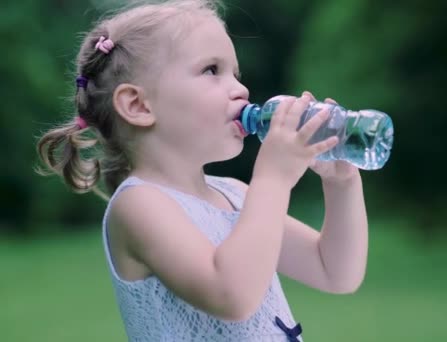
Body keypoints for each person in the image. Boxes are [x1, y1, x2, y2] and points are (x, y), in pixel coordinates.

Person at [36, 0, 368, 340]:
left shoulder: (234, 194)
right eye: (211, 70)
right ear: (138, 105)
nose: (241, 89)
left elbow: (335, 272)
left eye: (236, 74)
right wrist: (273, 179)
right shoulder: (139, 206)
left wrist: (342, 185)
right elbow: (231, 295)